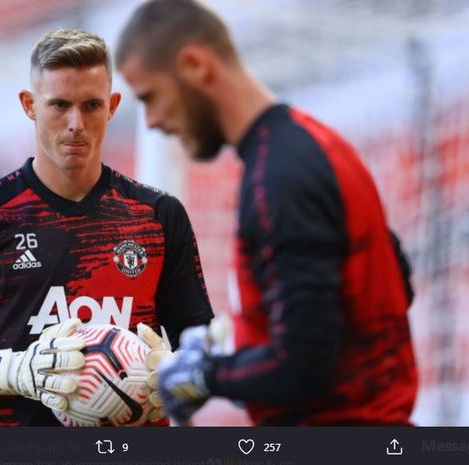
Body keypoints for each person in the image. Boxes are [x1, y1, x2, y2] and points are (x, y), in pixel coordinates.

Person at [116, 0, 418, 425]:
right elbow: (392, 282)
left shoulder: (278, 178)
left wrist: (207, 375)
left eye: (150, 97)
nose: (150, 122)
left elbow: (304, 363)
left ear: (195, 66)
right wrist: (240, 344)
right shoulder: (319, 145)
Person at [0, 28, 213, 426]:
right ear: (29, 105)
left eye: (91, 105)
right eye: (59, 105)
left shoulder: (158, 215)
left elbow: (202, 348)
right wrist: (15, 371)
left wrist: (173, 376)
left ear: (113, 105)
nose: (75, 123)